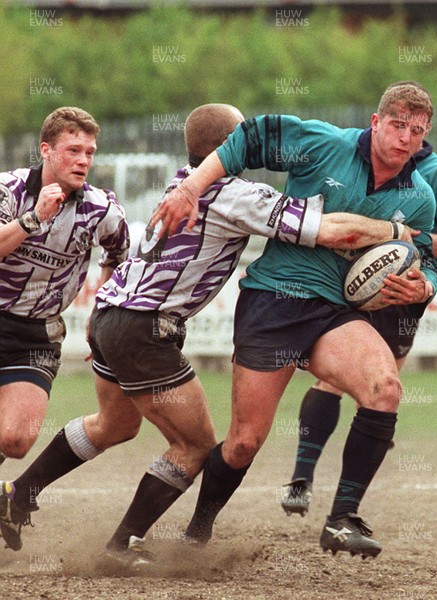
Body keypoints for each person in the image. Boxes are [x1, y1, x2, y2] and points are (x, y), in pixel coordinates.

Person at [0, 104, 413, 562]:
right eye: (245, 139)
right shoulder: (233, 194)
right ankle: (123, 544)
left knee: (114, 425)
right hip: (143, 328)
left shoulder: (183, 180)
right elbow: (332, 232)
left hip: (112, 316)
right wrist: (393, 229)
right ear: (231, 147)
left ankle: (18, 494)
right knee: (195, 444)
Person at [151, 82, 437, 559]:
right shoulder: (324, 143)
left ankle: (342, 519)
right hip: (275, 303)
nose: (405, 137)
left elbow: (425, 256)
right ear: (375, 121)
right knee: (244, 442)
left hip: (335, 312)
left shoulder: (420, 196)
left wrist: (423, 285)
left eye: (417, 130)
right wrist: (189, 188)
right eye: (397, 125)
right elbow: (249, 137)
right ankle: (198, 529)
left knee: (385, 388)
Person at [281, 138, 437, 517]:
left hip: (398, 297)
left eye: (410, 130)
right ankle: (301, 479)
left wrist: (393, 238)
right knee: (330, 381)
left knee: (379, 394)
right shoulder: (359, 165)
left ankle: (344, 505)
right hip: (350, 286)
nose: (397, 141)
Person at [0, 107, 129, 467]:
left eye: (89, 152)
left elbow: (119, 253)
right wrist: (34, 218)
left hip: (35, 334)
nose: (83, 160)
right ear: (46, 150)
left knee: (15, 439)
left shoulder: (100, 209)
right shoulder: (8, 190)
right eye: (73, 150)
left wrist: (100, 308)